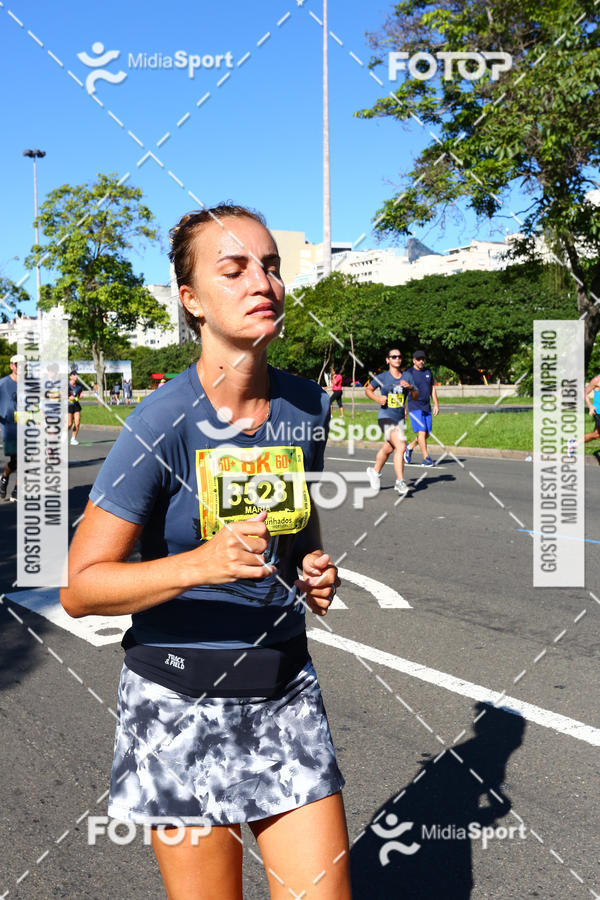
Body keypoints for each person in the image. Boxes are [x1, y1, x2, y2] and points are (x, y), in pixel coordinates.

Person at [60, 204, 350, 900]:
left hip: (286, 689)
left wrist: (310, 568)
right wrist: (203, 564)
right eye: (234, 268)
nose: (263, 282)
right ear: (190, 300)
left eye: (271, 266)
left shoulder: (306, 406)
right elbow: (80, 588)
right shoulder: (160, 423)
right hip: (179, 700)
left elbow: (295, 521)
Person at [365, 348, 418, 495]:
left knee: (389, 448)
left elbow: (414, 396)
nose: (397, 359)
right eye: (394, 357)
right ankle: (400, 482)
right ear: (388, 360)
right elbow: (368, 390)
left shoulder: (407, 376)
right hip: (385, 417)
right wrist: (378, 399)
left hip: (399, 419)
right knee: (401, 445)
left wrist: (411, 387)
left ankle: (374, 472)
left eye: (399, 357)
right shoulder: (382, 377)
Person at [403, 349, 439, 467]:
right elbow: (403, 392)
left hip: (426, 406)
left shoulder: (428, 371)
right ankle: (426, 458)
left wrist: (436, 404)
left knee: (427, 433)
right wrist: (404, 408)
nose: (421, 361)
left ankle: (410, 447)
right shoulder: (408, 373)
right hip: (414, 406)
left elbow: (432, 388)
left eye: (423, 359)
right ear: (414, 360)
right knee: (422, 431)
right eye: (418, 359)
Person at [0, 353, 24, 501]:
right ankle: (4, 478)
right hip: (9, 428)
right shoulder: (2, 383)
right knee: (15, 461)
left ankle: (16, 491)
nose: (20, 367)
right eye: (17, 364)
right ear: (11, 366)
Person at [67, 371, 83, 445]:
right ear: (71, 376)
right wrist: (69, 397)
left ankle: (73, 439)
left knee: (77, 422)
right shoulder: (66, 385)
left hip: (76, 405)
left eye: (77, 375)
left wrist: (81, 396)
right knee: (69, 424)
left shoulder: (79, 386)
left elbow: (80, 394)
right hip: (68, 405)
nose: (76, 377)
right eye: (75, 375)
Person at [584, 374, 600, 445]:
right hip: (598, 411)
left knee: (596, 434)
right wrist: (590, 406)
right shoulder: (596, 379)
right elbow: (585, 393)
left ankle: (574, 444)